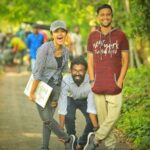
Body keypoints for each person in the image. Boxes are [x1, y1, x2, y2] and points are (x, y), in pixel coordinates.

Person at [84, 4, 129, 150]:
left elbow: (125, 60)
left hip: (114, 83)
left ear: (112, 16)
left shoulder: (121, 35)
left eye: (108, 14)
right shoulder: (92, 36)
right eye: (102, 14)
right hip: (98, 83)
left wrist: (120, 80)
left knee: (113, 116)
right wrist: (92, 80)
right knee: (103, 120)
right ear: (98, 17)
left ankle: (96, 139)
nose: (105, 17)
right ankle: (110, 147)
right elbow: (90, 60)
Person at [29, 20, 75, 150]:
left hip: (55, 88)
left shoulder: (66, 51)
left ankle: (44, 147)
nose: (60, 34)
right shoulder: (44, 49)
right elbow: (37, 73)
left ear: (66, 34)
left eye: (63, 31)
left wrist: (57, 95)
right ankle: (67, 138)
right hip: (41, 87)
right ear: (52, 34)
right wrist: (32, 92)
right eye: (57, 31)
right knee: (46, 118)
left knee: (47, 119)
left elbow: (65, 70)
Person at [58, 56, 99, 150]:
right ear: (70, 70)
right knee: (69, 116)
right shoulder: (65, 80)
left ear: (86, 71)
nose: (77, 73)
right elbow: (62, 107)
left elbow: (92, 108)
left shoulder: (91, 81)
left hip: (85, 100)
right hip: (71, 98)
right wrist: (60, 130)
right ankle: (71, 139)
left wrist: (96, 127)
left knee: (92, 119)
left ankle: (82, 143)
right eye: (74, 70)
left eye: (80, 70)